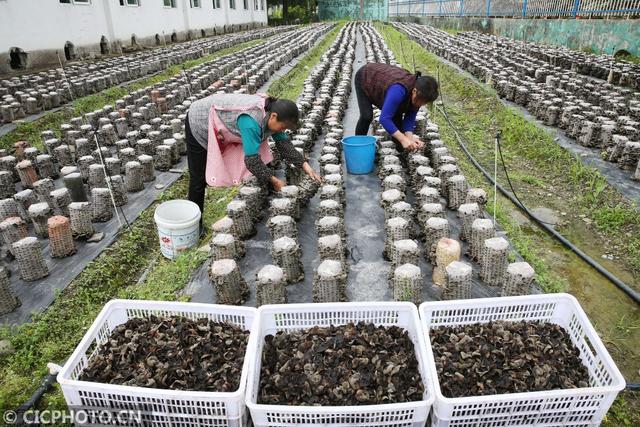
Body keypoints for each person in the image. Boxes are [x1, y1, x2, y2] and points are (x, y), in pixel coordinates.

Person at [185, 93, 321, 223]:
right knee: (198, 178)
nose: (281, 130)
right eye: (283, 127)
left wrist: (305, 166)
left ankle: (266, 194)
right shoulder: (250, 121)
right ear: (273, 116)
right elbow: (252, 161)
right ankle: (194, 224)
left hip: (223, 121)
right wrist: (275, 182)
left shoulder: (271, 115)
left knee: (264, 161)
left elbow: (283, 144)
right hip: (200, 120)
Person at [354, 63, 439, 151]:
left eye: (424, 102)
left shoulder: (420, 94)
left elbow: (410, 117)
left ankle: (401, 155)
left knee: (398, 132)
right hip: (366, 77)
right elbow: (384, 119)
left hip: (389, 91)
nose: (420, 104)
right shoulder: (399, 89)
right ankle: (357, 147)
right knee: (366, 116)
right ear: (414, 91)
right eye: (420, 101)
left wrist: (409, 138)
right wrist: (403, 139)